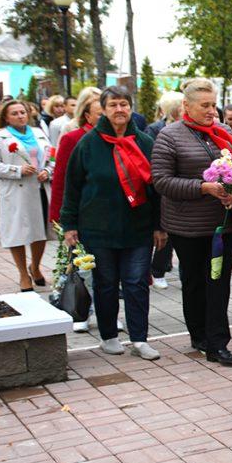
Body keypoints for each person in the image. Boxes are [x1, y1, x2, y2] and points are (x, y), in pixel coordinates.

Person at [60, 87, 164, 360]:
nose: (120, 110)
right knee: (105, 284)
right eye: (114, 105)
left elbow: (156, 190)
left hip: (138, 229)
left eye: (124, 104)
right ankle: (109, 336)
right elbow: (72, 187)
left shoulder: (144, 142)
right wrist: (69, 224)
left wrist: (158, 225)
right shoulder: (87, 144)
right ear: (103, 110)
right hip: (98, 229)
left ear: (131, 109)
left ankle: (140, 339)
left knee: (136, 283)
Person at [151, 78, 232, 366]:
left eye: (213, 104)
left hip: (223, 225)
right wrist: (202, 188)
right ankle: (199, 334)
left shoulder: (225, 132)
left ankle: (218, 342)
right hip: (188, 227)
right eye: (204, 105)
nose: (211, 111)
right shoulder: (169, 136)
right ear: (186, 106)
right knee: (194, 283)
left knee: (219, 282)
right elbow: (161, 181)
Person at [0, 99, 53, 291]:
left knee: (41, 232)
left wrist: (48, 170)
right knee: (17, 233)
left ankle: (35, 267)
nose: (20, 116)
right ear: (5, 117)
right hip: (16, 191)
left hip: (40, 188)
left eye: (22, 112)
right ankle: (23, 274)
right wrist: (17, 170)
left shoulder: (39, 133)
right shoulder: (0, 136)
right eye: (15, 113)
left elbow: (52, 156)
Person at [147, 92, 185, 289]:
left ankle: (171, 267)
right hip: (165, 189)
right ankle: (158, 269)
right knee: (165, 232)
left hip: (185, 189)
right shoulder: (155, 129)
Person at [49, 88, 103, 226]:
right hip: (83, 209)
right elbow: (61, 177)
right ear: (87, 115)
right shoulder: (72, 137)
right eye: (100, 114)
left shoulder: (119, 137)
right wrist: (58, 214)